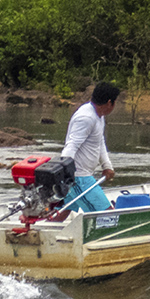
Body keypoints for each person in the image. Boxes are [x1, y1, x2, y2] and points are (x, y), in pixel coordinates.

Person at [60, 82, 119, 212]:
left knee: (63, 212)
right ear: (109, 103)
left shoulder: (99, 115)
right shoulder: (86, 118)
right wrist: (67, 176)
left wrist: (106, 165)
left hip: (83, 175)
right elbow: (71, 146)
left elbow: (99, 141)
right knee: (107, 213)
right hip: (79, 177)